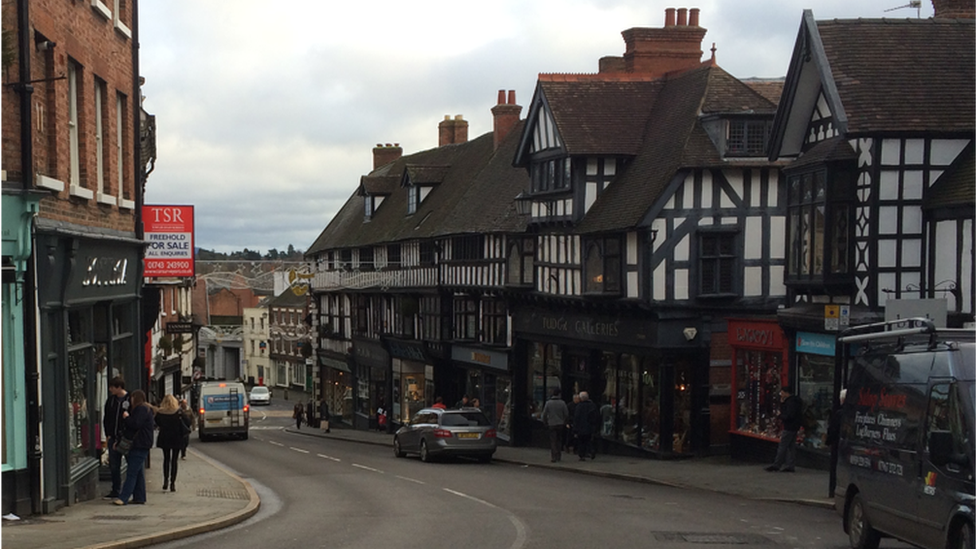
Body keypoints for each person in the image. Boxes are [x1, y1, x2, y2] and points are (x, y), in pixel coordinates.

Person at [114, 390, 154, 505]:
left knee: (131, 472)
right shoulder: (146, 409)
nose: (130, 400)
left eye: (132, 398)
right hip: (142, 444)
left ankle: (123, 497)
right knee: (138, 471)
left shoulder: (140, 409)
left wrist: (126, 417)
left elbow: (135, 424)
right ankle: (139, 497)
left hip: (139, 444)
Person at [155, 395, 191, 492]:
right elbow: (188, 421)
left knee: (166, 459)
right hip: (177, 437)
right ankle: (172, 483)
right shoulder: (179, 412)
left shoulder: (160, 413)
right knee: (174, 460)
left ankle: (165, 481)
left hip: (164, 437)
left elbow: (157, 423)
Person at [102, 377, 130, 500]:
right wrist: (108, 434)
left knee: (132, 464)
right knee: (114, 466)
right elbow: (106, 418)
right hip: (113, 437)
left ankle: (129, 490)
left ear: (119, 387)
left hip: (126, 438)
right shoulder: (111, 401)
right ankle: (116, 490)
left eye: (112, 387)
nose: (110, 389)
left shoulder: (130, 399)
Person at [766, 386, 804, 473]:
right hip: (794, 426)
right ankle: (790, 465)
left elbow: (789, 415)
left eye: (782, 393)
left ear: (786, 393)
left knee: (783, 446)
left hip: (789, 426)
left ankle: (777, 464)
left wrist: (780, 415)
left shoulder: (790, 402)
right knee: (791, 446)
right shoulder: (796, 401)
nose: (781, 394)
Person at [541, 388, 570, 463]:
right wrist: (564, 421)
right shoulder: (562, 403)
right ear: (559, 394)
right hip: (560, 424)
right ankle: (558, 456)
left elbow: (544, 414)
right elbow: (566, 414)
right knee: (559, 440)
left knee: (553, 440)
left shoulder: (548, 403)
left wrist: (545, 422)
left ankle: (554, 456)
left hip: (551, 424)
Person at [573, 391, 599, 461]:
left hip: (581, 427)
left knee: (581, 442)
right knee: (589, 440)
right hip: (590, 427)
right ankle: (591, 450)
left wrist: (575, 429)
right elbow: (596, 416)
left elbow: (576, 418)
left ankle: (582, 455)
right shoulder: (592, 405)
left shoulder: (579, 406)